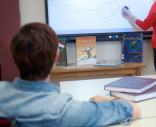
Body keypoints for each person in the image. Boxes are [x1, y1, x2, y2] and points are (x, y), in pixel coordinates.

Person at [0, 23, 141, 126]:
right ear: (56, 57)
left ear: (15, 57)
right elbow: (132, 110)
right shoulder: (68, 110)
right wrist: (104, 100)